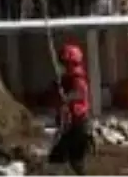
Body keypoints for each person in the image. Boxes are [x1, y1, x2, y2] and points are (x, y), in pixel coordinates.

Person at [48, 42, 94, 176]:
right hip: (70, 125)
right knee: (63, 160)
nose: (62, 66)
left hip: (77, 125)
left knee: (66, 160)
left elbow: (77, 94)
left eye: (63, 63)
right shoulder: (66, 79)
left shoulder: (77, 79)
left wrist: (64, 96)